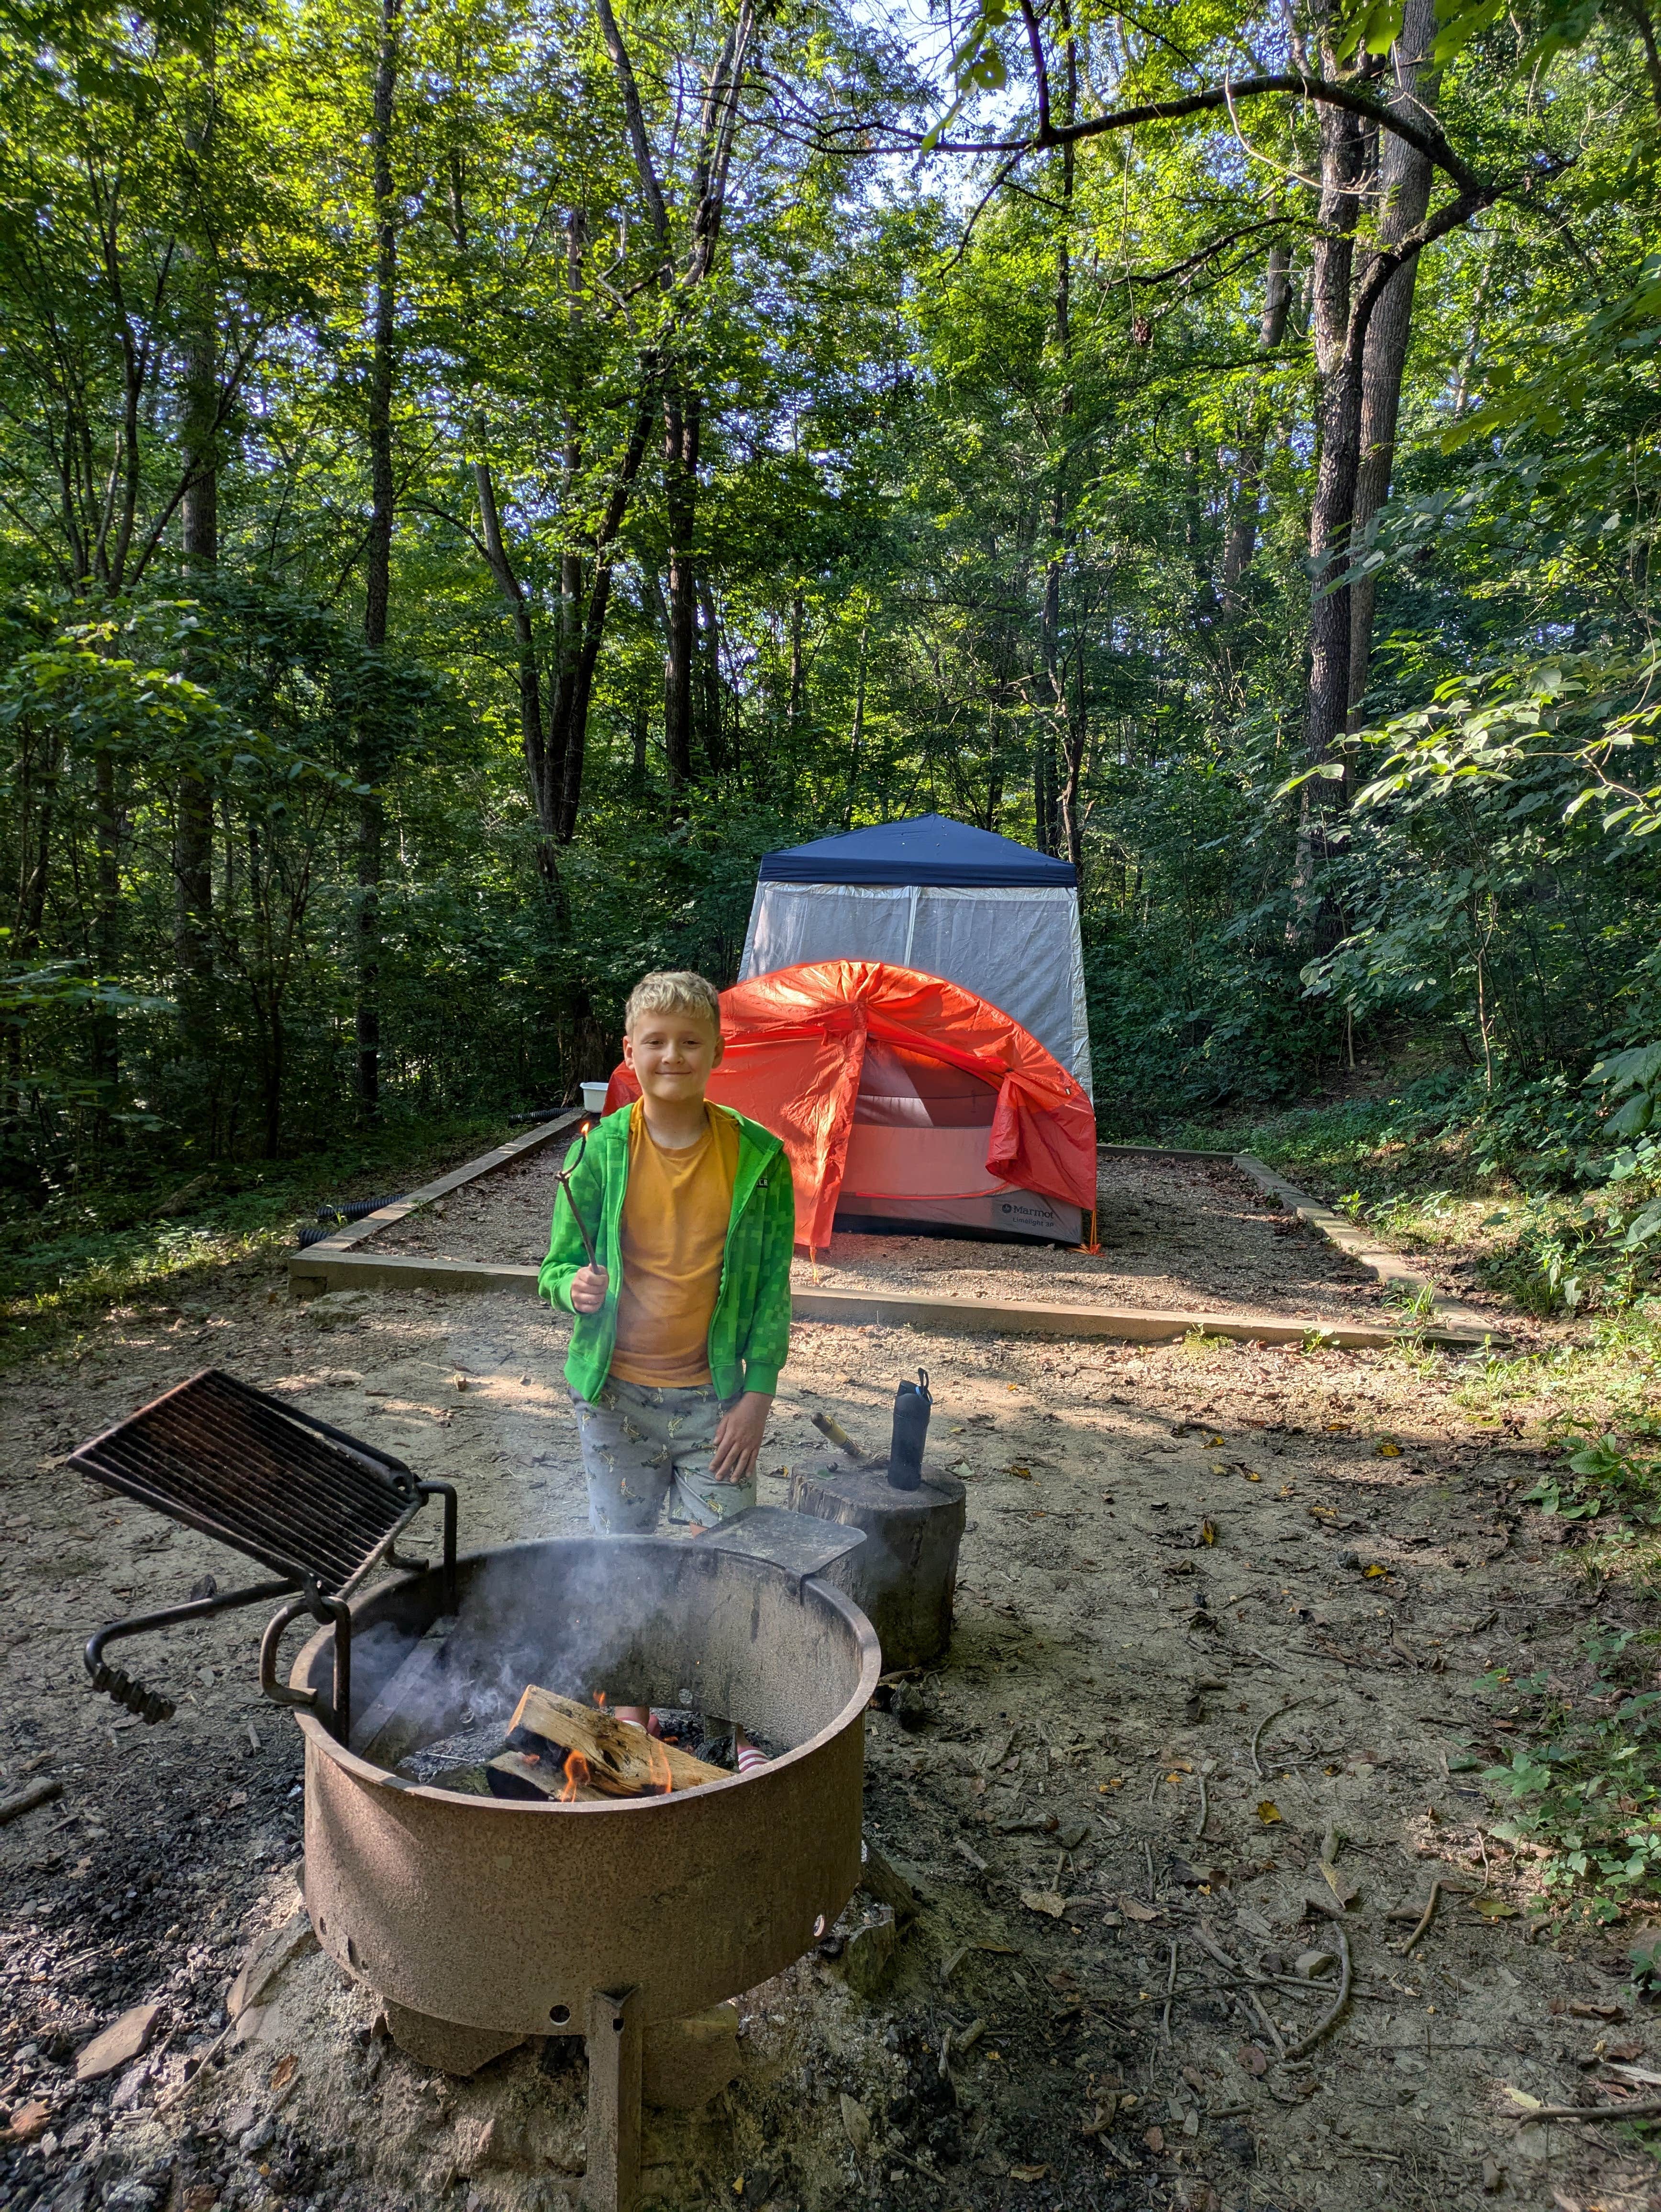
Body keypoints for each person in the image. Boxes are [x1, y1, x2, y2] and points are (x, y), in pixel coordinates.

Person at [538, 968, 795, 1543]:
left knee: (727, 1554)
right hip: (613, 1395)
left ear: (717, 1052)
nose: (673, 1055)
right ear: (630, 1053)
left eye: (690, 1041)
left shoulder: (758, 1160)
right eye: (655, 1041)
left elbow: (771, 1287)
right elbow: (556, 1267)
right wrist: (571, 1287)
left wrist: (758, 1396)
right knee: (622, 1559)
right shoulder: (596, 1153)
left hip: (715, 1399)